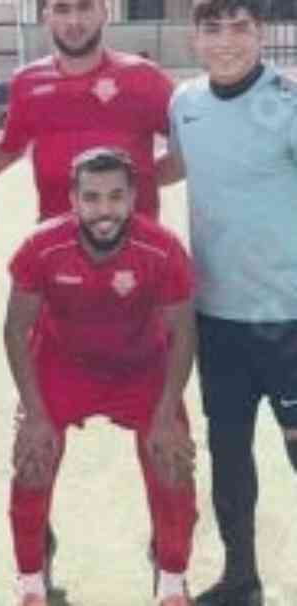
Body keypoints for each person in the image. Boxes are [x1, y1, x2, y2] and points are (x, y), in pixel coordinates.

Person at [5, 148, 197, 606]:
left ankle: (172, 579)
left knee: (173, 461)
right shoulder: (41, 247)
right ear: (73, 199)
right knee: (32, 461)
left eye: (115, 196)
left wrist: (167, 414)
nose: (104, 209)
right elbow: (15, 329)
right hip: (64, 366)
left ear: (133, 197)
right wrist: (34, 413)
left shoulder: (163, 248)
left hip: (140, 368)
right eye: (91, 198)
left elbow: (183, 331)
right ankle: (31, 580)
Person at [166, 1, 297, 603]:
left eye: (239, 27)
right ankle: (241, 579)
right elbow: (179, 165)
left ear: (259, 33)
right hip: (217, 319)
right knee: (229, 456)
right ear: (194, 38)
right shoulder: (184, 102)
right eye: (212, 29)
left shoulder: (288, 102)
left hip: (288, 319)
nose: (226, 42)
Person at [0, 0, 174, 222]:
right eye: (62, 9)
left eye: (84, 7)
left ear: (104, 13)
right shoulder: (27, 82)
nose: (74, 21)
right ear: (47, 17)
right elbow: (7, 149)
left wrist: (136, 178)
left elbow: (188, 148)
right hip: (58, 234)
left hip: (134, 236)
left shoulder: (145, 77)